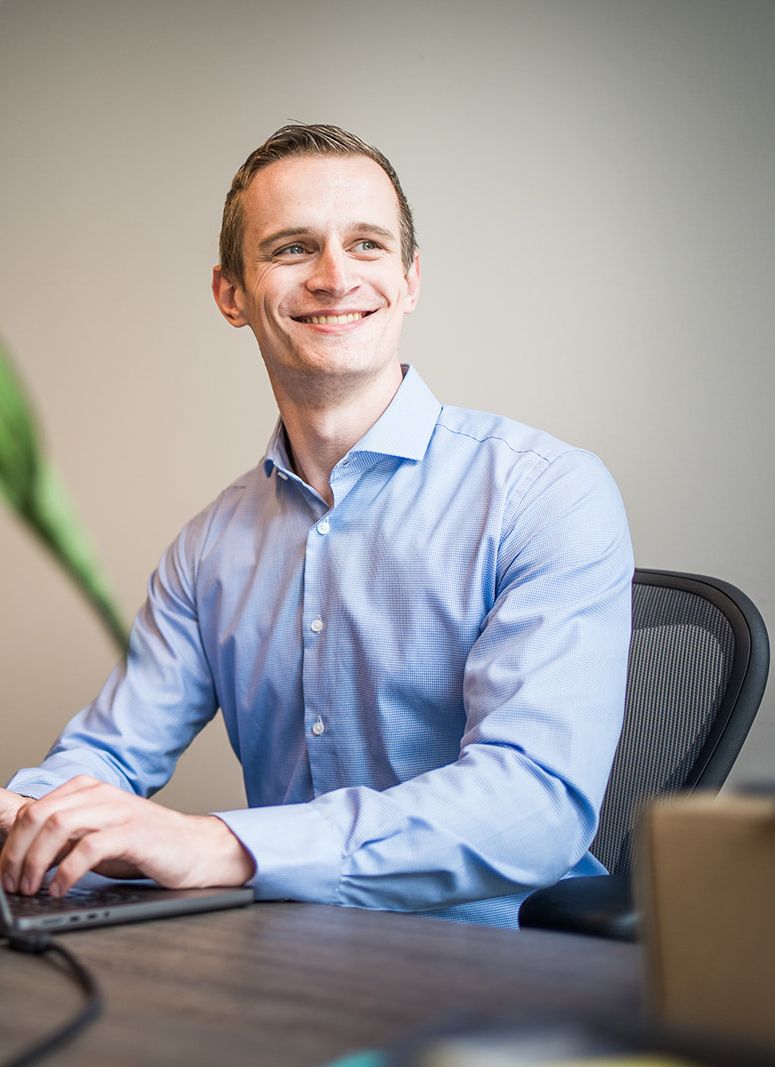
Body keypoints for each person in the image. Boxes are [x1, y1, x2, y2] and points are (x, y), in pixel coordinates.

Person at [0, 124, 633, 928]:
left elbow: (533, 804)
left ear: (408, 280)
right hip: (291, 966)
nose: (336, 277)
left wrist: (220, 844)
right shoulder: (209, 547)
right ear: (231, 293)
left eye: (366, 245)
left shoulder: (546, 493)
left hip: (508, 981)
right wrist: (26, 813)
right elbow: (110, 752)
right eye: (294, 248)